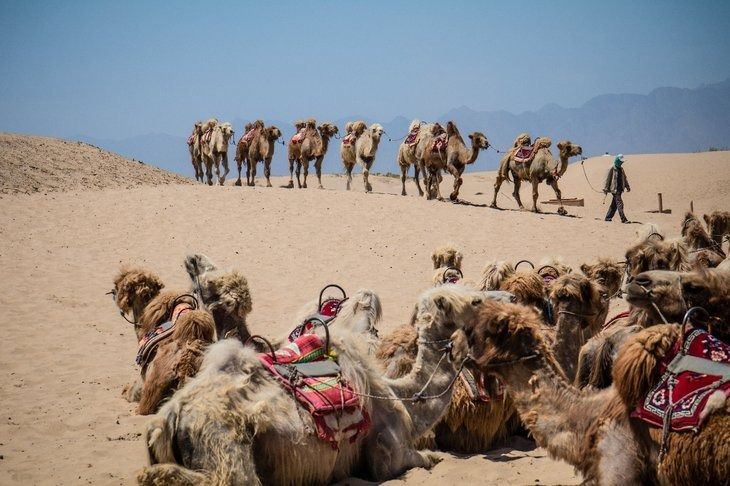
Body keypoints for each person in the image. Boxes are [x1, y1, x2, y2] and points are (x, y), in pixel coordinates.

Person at [603, 154, 631, 223]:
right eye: (620, 161)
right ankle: (623, 219)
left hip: (620, 189)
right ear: (617, 160)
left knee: (614, 204)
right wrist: (605, 188)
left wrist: (627, 186)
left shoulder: (621, 169)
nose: (622, 163)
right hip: (614, 189)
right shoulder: (612, 168)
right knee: (620, 203)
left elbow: (624, 178)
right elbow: (607, 179)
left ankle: (608, 217)